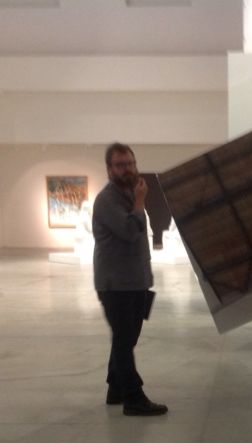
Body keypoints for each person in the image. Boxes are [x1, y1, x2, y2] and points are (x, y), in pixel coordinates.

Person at [92, 143, 167, 416]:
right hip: (116, 285)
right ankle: (133, 399)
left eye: (131, 164)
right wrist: (140, 202)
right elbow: (130, 231)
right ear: (109, 169)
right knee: (124, 341)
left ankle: (116, 389)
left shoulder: (128, 194)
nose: (128, 169)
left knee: (125, 339)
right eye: (121, 165)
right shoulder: (107, 199)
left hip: (135, 282)